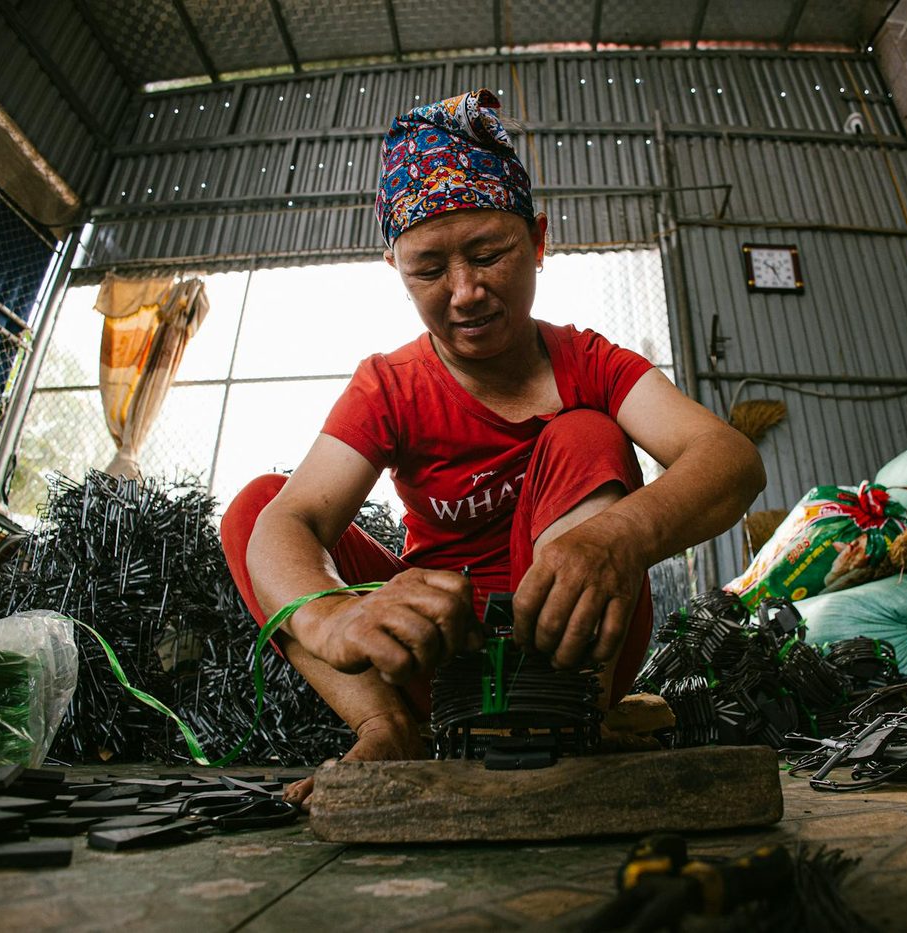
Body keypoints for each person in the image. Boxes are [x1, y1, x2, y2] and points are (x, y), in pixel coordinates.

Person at [222, 89, 764, 787]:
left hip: (577, 644)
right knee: (259, 509)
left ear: (537, 241)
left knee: (587, 432)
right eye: (428, 269)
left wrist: (620, 536)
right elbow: (290, 523)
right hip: (441, 659)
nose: (465, 291)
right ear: (396, 270)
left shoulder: (589, 363)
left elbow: (731, 458)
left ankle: (575, 719)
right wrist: (334, 620)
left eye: (488, 253)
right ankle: (389, 730)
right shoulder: (389, 385)